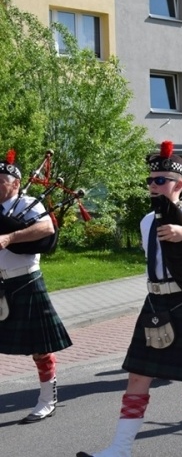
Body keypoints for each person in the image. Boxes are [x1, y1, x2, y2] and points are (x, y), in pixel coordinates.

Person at [78, 141, 182, 457]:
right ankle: (119, 449)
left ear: (177, 184)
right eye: (150, 180)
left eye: (159, 180)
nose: (152, 185)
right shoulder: (147, 220)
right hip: (155, 303)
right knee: (138, 375)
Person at [0, 149, 71, 424]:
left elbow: (46, 230)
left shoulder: (28, 203)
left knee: (39, 347)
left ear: (15, 183)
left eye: (0, 179)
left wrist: (10, 237)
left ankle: (47, 399)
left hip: (25, 280)